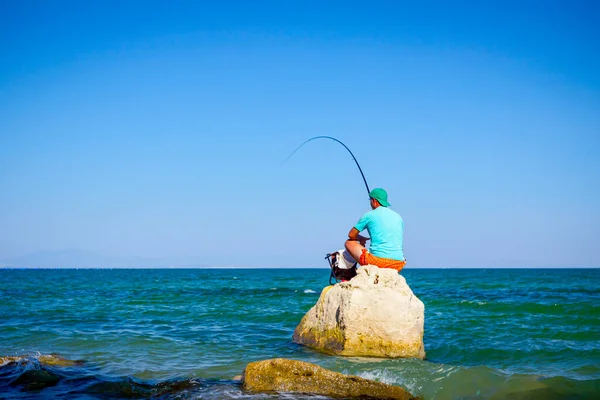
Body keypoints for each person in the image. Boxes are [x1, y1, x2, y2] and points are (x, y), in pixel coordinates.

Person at [344, 188, 406, 271]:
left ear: (374, 201)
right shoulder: (398, 217)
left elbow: (351, 235)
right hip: (399, 263)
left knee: (349, 242)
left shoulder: (369, 215)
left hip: (379, 262)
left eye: (370, 200)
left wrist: (360, 238)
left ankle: (352, 272)